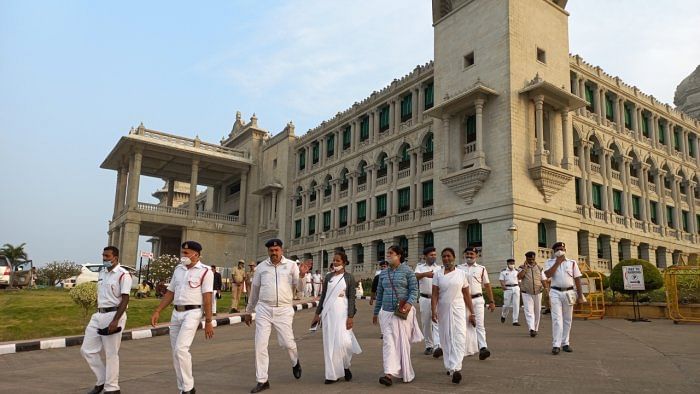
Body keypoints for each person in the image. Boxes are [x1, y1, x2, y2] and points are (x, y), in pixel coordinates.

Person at [244, 239, 309, 393]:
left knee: (288, 343)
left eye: (276, 250)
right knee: (260, 345)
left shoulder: (292, 265)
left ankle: (295, 362)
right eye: (271, 251)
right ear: (268, 251)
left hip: (284, 310)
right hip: (264, 309)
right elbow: (255, 290)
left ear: (282, 250)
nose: (274, 253)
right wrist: (248, 310)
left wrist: (301, 275)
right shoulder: (261, 268)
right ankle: (262, 380)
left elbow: (300, 289)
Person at [151, 241, 214, 394]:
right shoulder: (178, 270)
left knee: (181, 349)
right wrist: (158, 310)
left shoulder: (205, 271)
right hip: (176, 313)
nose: (183, 256)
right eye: (182, 252)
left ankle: (188, 387)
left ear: (196, 255)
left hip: (193, 313)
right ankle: (183, 388)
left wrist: (209, 321)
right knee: (175, 352)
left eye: (186, 253)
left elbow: (207, 298)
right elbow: (170, 292)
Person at [81, 246, 132, 394]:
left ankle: (112, 388)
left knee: (111, 353)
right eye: (103, 255)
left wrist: (115, 320)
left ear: (115, 257)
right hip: (98, 315)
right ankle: (102, 380)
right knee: (87, 350)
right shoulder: (102, 272)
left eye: (107, 256)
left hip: (114, 314)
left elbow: (125, 298)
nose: (104, 258)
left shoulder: (123, 275)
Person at [372, 245, 422, 386]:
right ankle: (388, 373)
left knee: (402, 343)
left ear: (399, 255)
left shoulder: (408, 271)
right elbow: (380, 294)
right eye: (387, 253)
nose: (388, 255)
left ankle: (403, 370)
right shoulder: (383, 274)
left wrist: (409, 303)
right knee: (388, 343)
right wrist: (376, 312)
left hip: (402, 313)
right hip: (386, 312)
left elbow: (414, 290)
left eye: (391, 253)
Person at [311, 250, 362, 384]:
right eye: (333, 260)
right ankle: (332, 374)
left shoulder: (349, 277)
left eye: (338, 260)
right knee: (330, 344)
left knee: (345, 343)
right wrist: (317, 314)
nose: (335, 262)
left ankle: (345, 366)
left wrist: (350, 316)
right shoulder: (328, 277)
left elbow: (351, 298)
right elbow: (323, 297)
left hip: (343, 313)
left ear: (344, 263)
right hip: (328, 313)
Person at [431, 247, 476, 384]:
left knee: (459, 337)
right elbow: (435, 294)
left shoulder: (461, 274)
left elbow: (467, 295)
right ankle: (450, 366)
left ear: (454, 257)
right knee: (446, 338)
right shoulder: (437, 274)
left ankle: (456, 368)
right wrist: (434, 311)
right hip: (443, 309)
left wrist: (472, 312)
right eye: (443, 256)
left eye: (448, 256)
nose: (446, 259)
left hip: (458, 308)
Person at [544, 242, 585, 355]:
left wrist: (580, 296)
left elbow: (577, 279)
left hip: (569, 292)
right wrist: (557, 263)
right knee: (557, 319)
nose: (560, 250)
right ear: (554, 251)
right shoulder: (549, 262)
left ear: (565, 249)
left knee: (568, 318)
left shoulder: (572, 263)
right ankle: (556, 344)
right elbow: (547, 275)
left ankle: (565, 343)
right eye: (557, 249)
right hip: (555, 291)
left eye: (562, 249)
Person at [457, 245, 496, 361]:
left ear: (476, 256)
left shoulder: (481, 268)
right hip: (463, 300)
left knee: (479, 324)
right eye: (467, 254)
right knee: (464, 324)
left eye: (472, 254)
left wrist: (492, 301)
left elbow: (487, 285)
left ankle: (483, 347)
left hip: (477, 299)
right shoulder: (458, 268)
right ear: (464, 255)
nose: (469, 256)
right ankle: (465, 348)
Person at [414, 246, 442, 356]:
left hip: (437, 298)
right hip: (425, 298)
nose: (433, 257)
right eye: (431, 255)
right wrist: (426, 274)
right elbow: (415, 276)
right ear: (425, 256)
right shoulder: (420, 267)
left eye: (435, 255)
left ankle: (437, 346)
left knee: (436, 321)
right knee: (426, 323)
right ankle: (429, 345)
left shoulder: (439, 268)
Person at [518, 251, 549, 337]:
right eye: (529, 259)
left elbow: (543, 279)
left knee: (537, 311)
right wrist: (525, 268)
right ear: (526, 258)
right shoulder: (521, 267)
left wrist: (546, 289)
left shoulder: (539, 268)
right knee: (529, 311)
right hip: (526, 292)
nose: (531, 260)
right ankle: (531, 329)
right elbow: (519, 277)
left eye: (533, 259)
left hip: (538, 292)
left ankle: (535, 328)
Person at [499, 259, 521, 326]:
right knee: (506, 305)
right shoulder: (503, 271)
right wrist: (503, 286)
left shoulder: (517, 271)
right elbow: (501, 280)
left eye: (513, 263)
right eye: (510, 263)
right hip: (507, 288)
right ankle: (503, 315)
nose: (512, 264)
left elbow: (519, 280)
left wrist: (520, 288)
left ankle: (515, 320)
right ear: (507, 263)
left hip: (516, 288)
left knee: (516, 304)